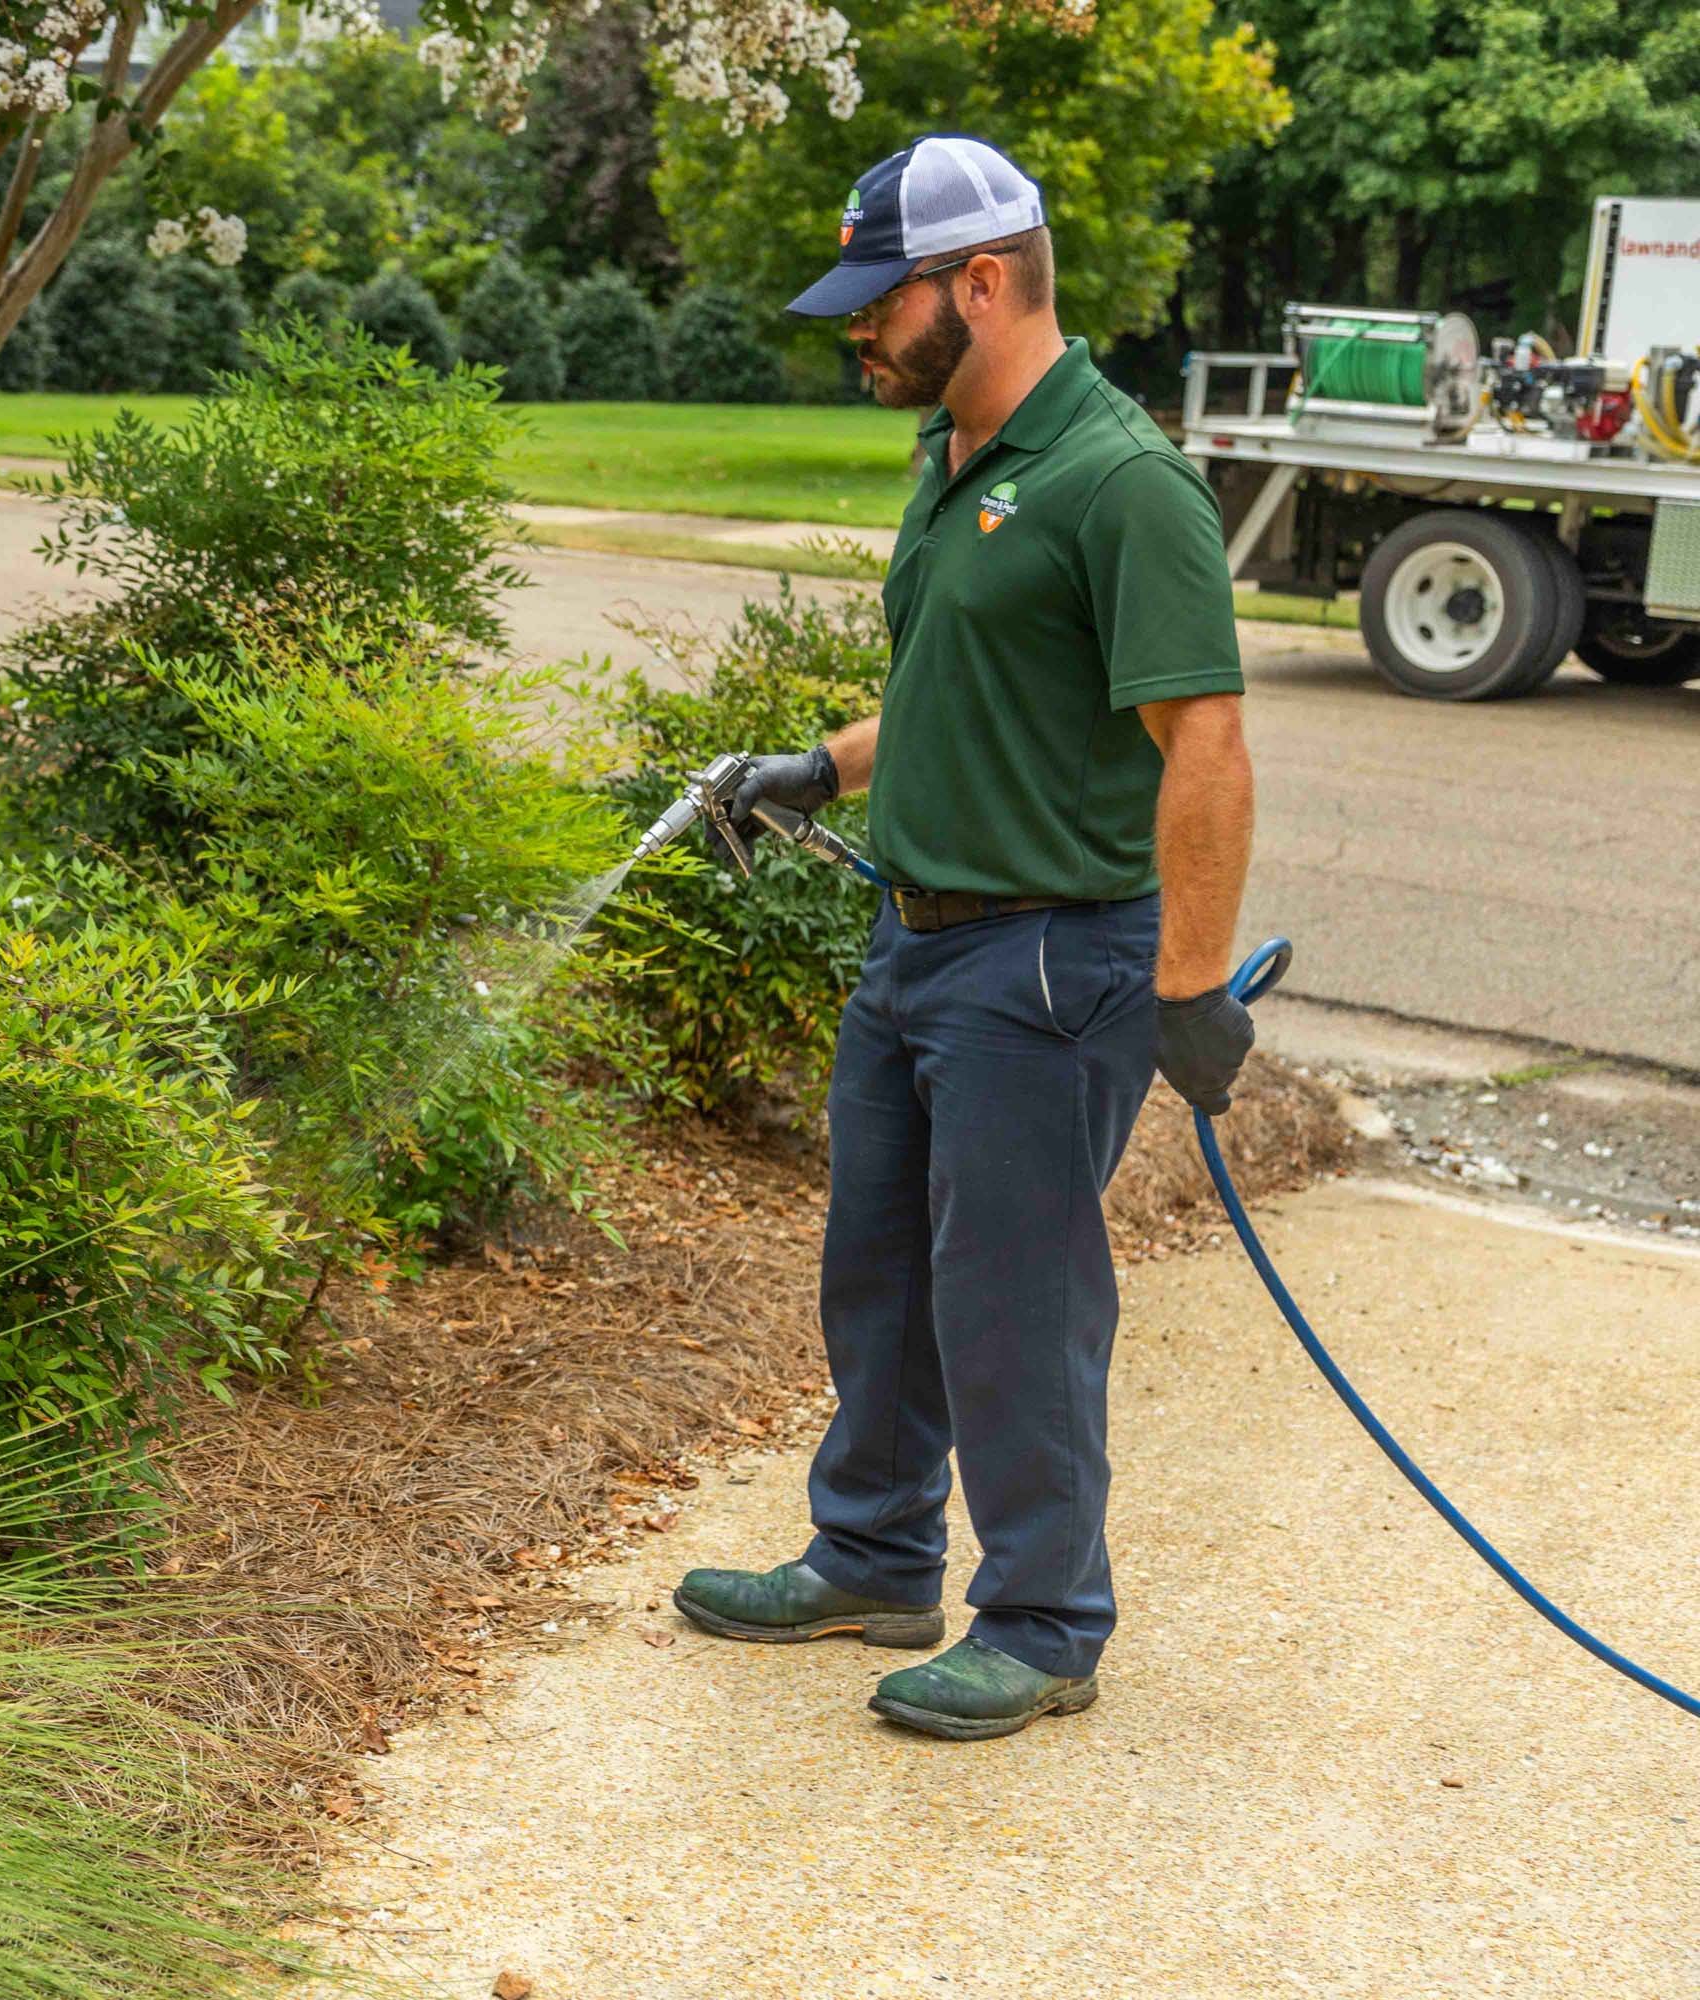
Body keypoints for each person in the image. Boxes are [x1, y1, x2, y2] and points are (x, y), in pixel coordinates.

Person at [672, 133, 1259, 1742]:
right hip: (916, 943)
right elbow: (965, 682)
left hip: (1053, 963)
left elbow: (1202, 740)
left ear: (981, 283)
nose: (856, 331)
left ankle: (1047, 1623)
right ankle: (870, 1554)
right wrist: (829, 763)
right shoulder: (961, 454)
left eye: (881, 300)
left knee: (1015, 1299)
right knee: (880, 1275)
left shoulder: (1119, 480)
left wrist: (1192, 985)